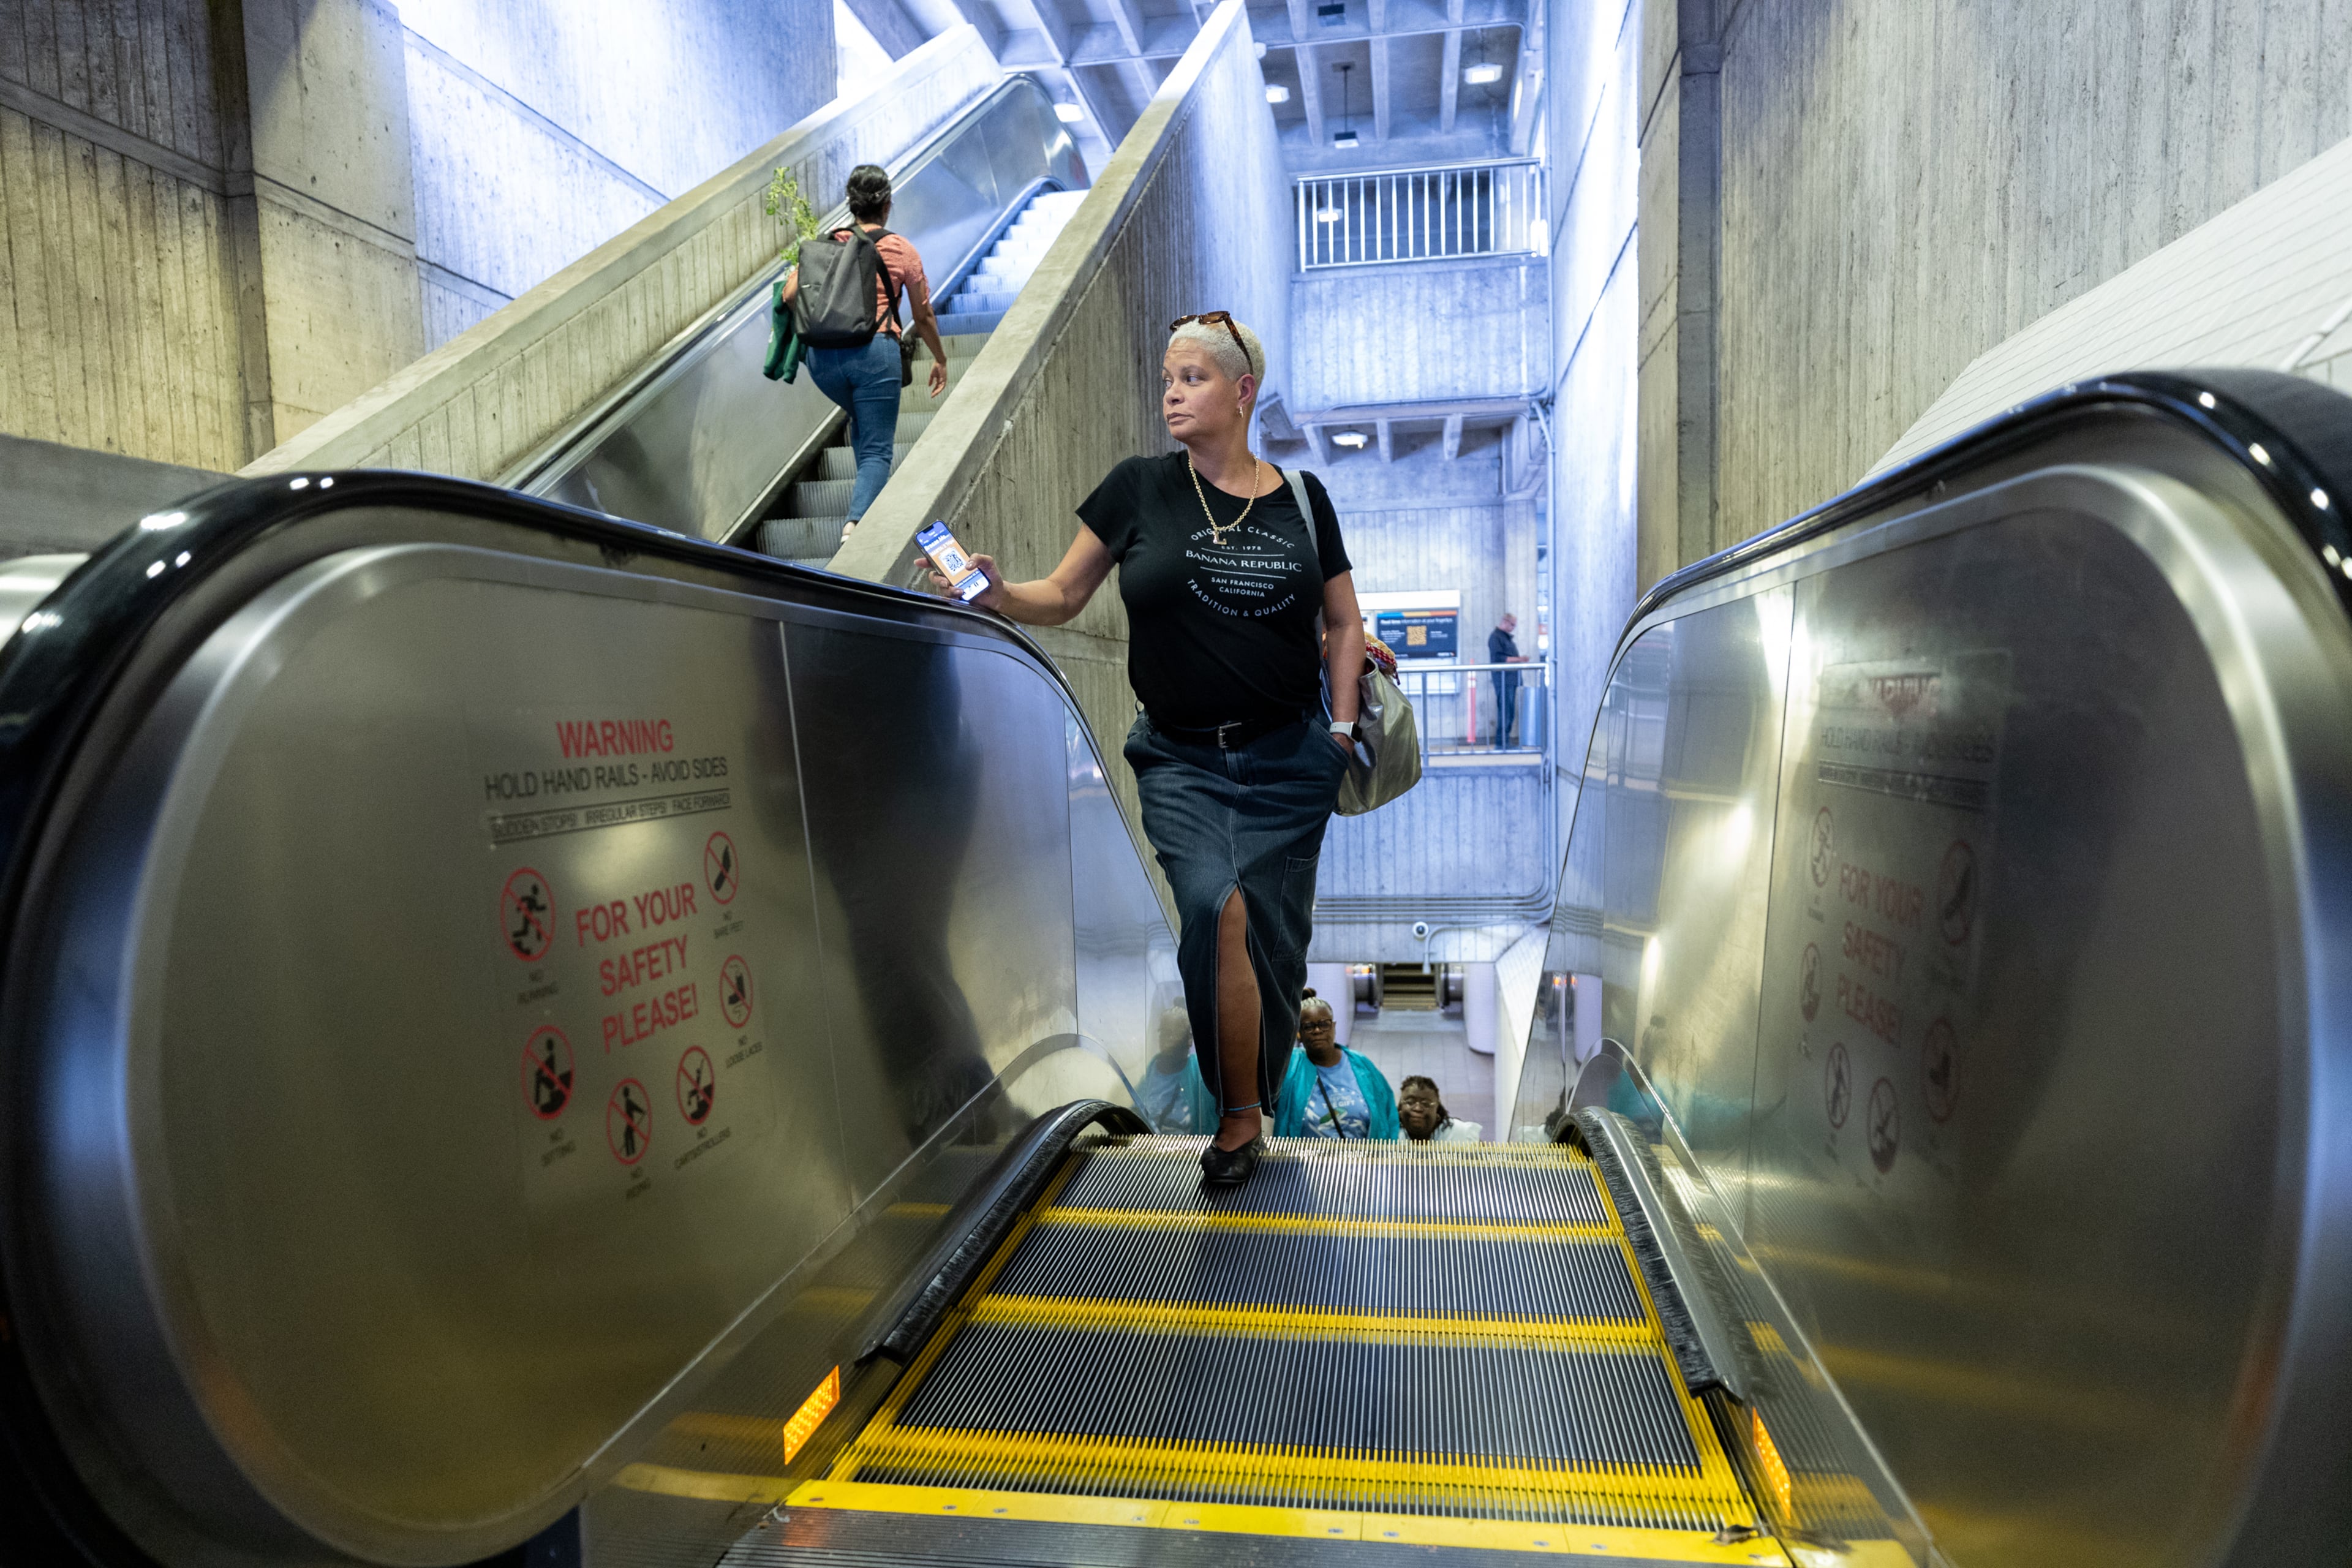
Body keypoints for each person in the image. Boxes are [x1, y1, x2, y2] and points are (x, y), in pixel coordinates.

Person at [924, 310, 1363, 1187]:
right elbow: (1061, 592)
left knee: (1275, 947)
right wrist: (1003, 592)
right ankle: (1239, 1118)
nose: (1171, 392)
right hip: (1182, 762)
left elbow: (1344, 621)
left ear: (1242, 393)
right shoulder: (1138, 489)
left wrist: (1342, 733)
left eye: (1193, 377)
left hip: (1289, 763)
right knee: (1216, 909)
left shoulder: (1306, 501)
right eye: (1166, 378)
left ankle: (1258, 1088)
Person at [781, 164, 949, 541]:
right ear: (887, 205)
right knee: (877, 450)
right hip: (874, 354)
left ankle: (868, 505)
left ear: (851, 205)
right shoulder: (900, 249)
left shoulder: (827, 243)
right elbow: (922, 315)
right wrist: (940, 358)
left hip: (822, 361)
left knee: (863, 420)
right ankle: (855, 528)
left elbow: (790, 295)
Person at [1276, 992, 1398, 1140]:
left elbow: (1387, 1111)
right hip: (1306, 1162)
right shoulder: (1290, 1067)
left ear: (1333, 1027)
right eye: (1308, 1026)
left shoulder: (1361, 1064)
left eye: (1324, 1024)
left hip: (1363, 1161)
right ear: (1299, 1033)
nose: (1317, 1031)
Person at [1136, 1004, 1217, 1133]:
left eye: (1175, 1034)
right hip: (1153, 1150)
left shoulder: (1202, 1073)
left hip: (1194, 1150)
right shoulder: (1151, 1073)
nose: (1169, 1040)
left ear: (1189, 1039)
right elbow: (1136, 1114)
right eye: (1165, 1033)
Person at [1398, 1075, 1482, 1143]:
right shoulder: (1389, 1132)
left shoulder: (1460, 1133)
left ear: (1437, 1112)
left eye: (1426, 1104)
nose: (1418, 1108)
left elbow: (1487, 1159)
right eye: (1410, 1102)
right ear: (1400, 1110)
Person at [1487, 612, 1529, 747]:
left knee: (1510, 712)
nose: (1513, 628)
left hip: (1510, 680)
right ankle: (1501, 742)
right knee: (1505, 711)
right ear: (1505, 622)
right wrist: (1520, 659)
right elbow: (1499, 659)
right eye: (1512, 625)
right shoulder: (1496, 638)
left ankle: (1506, 741)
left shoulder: (1506, 639)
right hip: (1503, 680)